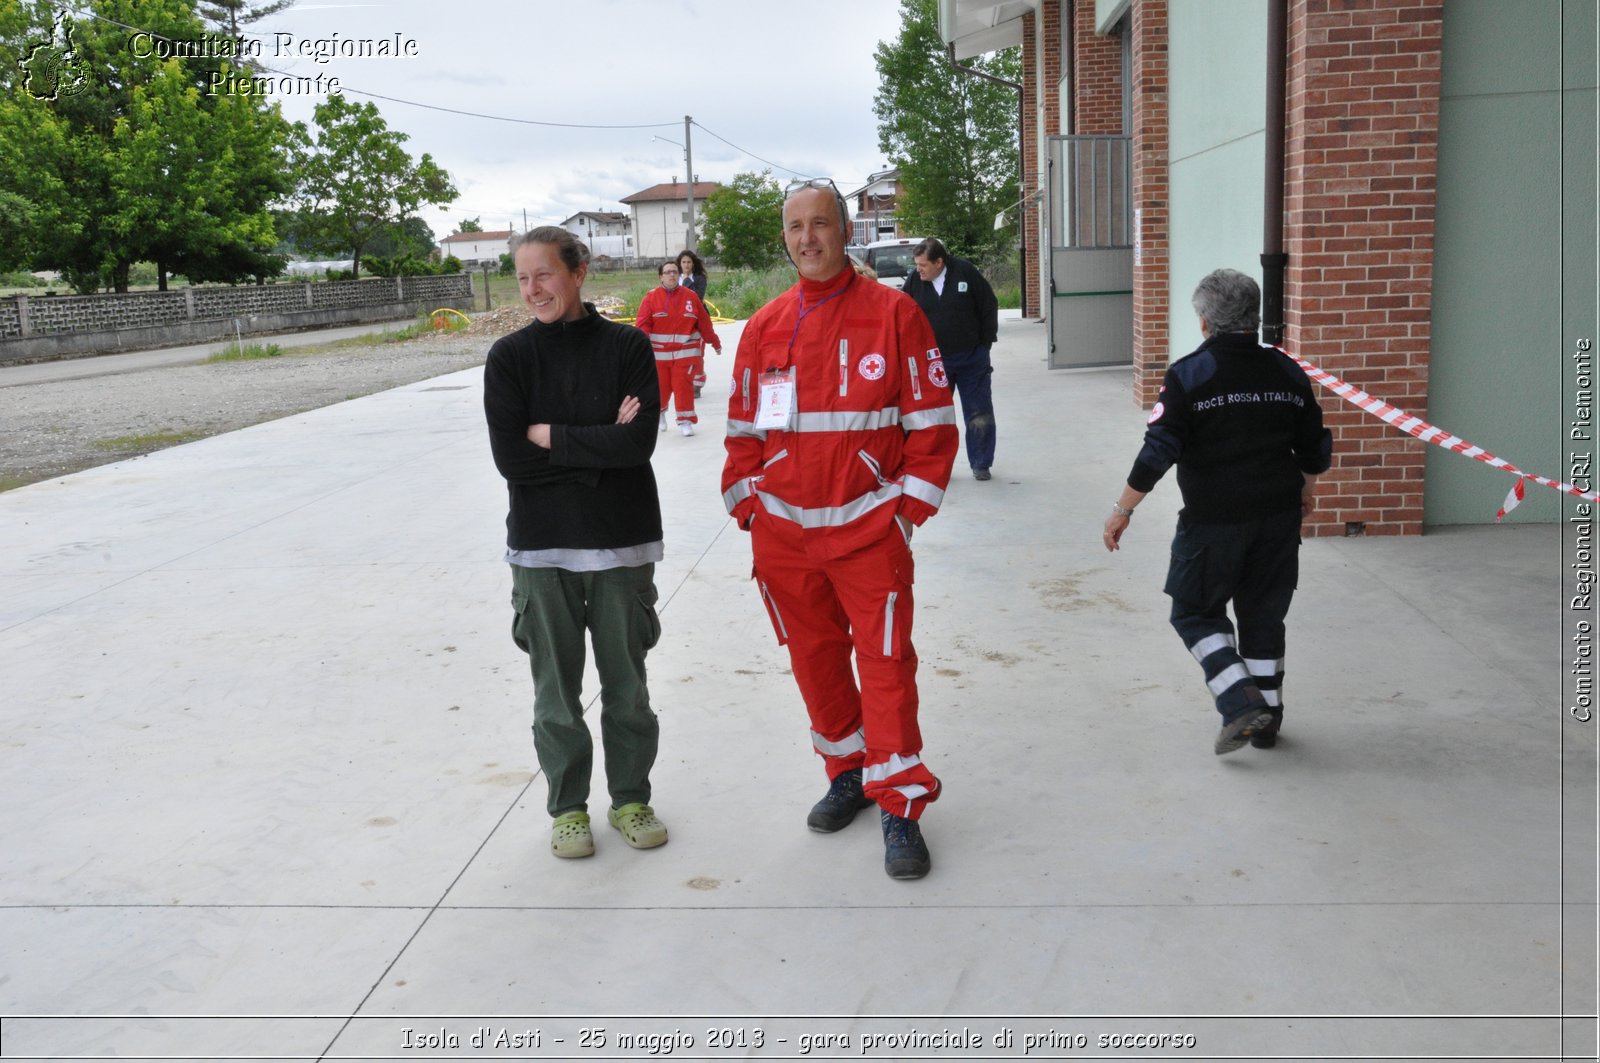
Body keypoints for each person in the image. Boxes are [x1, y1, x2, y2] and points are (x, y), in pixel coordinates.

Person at [721, 178, 959, 880]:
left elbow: (933, 425)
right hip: (786, 543)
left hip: (867, 537)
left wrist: (905, 517)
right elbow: (742, 433)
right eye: (795, 227)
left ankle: (900, 804)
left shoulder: (894, 314)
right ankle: (847, 771)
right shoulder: (764, 325)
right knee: (816, 662)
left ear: (845, 229)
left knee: (886, 668)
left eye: (819, 223)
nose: (806, 239)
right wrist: (748, 507)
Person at [484, 226, 670, 859]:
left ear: (579, 271)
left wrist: (551, 437)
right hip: (541, 551)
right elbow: (511, 459)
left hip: (622, 546)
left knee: (628, 690)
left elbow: (638, 443)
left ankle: (631, 799)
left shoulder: (628, 345)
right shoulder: (509, 358)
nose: (533, 289)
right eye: (522, 278)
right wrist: (596, 446)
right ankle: (568, 809)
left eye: (545, 274)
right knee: (555, 699)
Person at [1102, 268, 1332, 755]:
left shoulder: (1189, 374)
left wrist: (1123, 508)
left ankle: (1239, 698)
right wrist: (1306, 489)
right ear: (1255, 316)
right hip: (1277, 515)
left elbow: (1157, 450)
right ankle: (1267, 721)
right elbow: (1313, 445)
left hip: (1215, 521)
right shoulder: (1288, 371)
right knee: (1263, 615)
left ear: (1205, 322)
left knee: (1194, 612)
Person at [901, 238, 999, 481]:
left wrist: (984, 344)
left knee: (979, 413)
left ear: (939, 262)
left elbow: (989, 305)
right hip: (934, 362)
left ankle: (981, 463)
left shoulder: (965, 272)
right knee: (934, 416)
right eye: (917, 264)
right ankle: (934, 466)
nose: (919, 269)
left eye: (923, 265)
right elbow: (903, 315)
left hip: (971, 359)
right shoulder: (915, 281)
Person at [635, 260, 721, 437]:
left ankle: (685, 421)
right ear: (661, 277)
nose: (671, 275)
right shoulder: (651, 297)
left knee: (683, 387)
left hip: (684, 354)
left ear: (679, 275)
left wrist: (714, 342)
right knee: (662, 388)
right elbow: (643, 324)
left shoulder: (690, 296)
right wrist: (640, 348)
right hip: (659, 356)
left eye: (674, 271)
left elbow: (704, 322)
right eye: (667, 272)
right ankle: (660, 413)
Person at [675, 249, 712, 397]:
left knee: (698, 353)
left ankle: (697, 385)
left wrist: (686, 281)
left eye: (689, 262)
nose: (686, 265)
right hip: (679, 322)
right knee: (682, 354)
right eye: (683, 262)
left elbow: (698, 297)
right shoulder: (673, 277)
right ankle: (684, 382)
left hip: (697, 320)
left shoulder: (699, 278)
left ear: (693, 264)